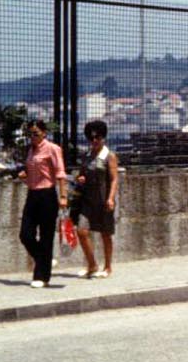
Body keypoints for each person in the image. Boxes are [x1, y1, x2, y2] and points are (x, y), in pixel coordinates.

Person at [16, 119, 67, 288]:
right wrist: (24, 177)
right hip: (32, 194)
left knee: (46, 236)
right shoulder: (30, 150)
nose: (33, 137)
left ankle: (42, 277)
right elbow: (32, 175)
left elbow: (60, 173)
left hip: (47, 195)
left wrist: (63, 196)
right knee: (26, 234)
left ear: (44, 133)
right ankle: (44, 259)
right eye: (30, 134)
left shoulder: (53, 148)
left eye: (36, 134)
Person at [74, 119, 119, 278]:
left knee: (105, 234)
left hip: (104, 199)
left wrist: (111, 198)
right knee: (81, 231)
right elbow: (81, 175)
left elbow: (114, 179)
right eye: (91, 138)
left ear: (103, 137)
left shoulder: (109, 156)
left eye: (97, 137)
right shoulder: (87, 156)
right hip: (88, 200)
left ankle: (107, 267)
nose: (94, 141)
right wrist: (80, 179)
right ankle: (92, 264)